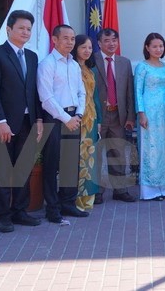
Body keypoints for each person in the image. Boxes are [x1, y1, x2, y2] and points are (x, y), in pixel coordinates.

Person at [0, 10, 43, 233]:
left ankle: (19, 211)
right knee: (3, 170)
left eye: (29, 29)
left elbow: (34, 90)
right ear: (9, 29)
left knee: (23, 168)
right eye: (21, 28)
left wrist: (38, 118)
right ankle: (2, 215)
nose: (26, 32)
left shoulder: (32, 57)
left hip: (28, 121)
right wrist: (0, 121)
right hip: (4, 124)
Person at [37, 24, 88, 222]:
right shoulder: (47, 64)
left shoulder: (74, 65)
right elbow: (46, 97)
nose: (70, 42)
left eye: (72, 38)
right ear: (55, 40)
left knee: (70, 164)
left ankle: (68, 203)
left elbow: (81, 92)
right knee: (52, 164)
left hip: (74, 118)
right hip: (55, 119)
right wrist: (66, 119)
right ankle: (52, 208)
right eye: (65, 38)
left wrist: (79, 114)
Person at [93, 28, 137, 203]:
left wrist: (130, 117)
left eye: (114, 40)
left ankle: (120, 190)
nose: (111, 44)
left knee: (118, 154)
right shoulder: (91, 59)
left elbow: (129, 92)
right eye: (107, 40)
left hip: (118, 116)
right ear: (99, 43)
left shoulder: (124, 62)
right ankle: (96, 191)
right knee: (96, 155)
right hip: (98, 117)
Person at [134, 33, 165, 201]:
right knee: (150, 148)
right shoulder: (142, 67)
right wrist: (141, 113)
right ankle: (150, 190)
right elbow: (138, 91)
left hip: (164, 111)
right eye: (155, 46)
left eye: (161, 46)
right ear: (147, 47)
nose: (158, 49)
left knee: (164, 148)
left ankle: (164, 187)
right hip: (149, 111)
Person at [71, 35, 102, 211]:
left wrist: (99, 120)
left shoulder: (91, 70)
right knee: (77, 159)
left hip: (91, 119)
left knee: (90, 158)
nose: (87, 51)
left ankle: (88, 198)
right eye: (83, 47)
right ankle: (75, 199)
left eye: (90, 48)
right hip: (76, 118)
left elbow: (95, 97)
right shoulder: (71, 67)